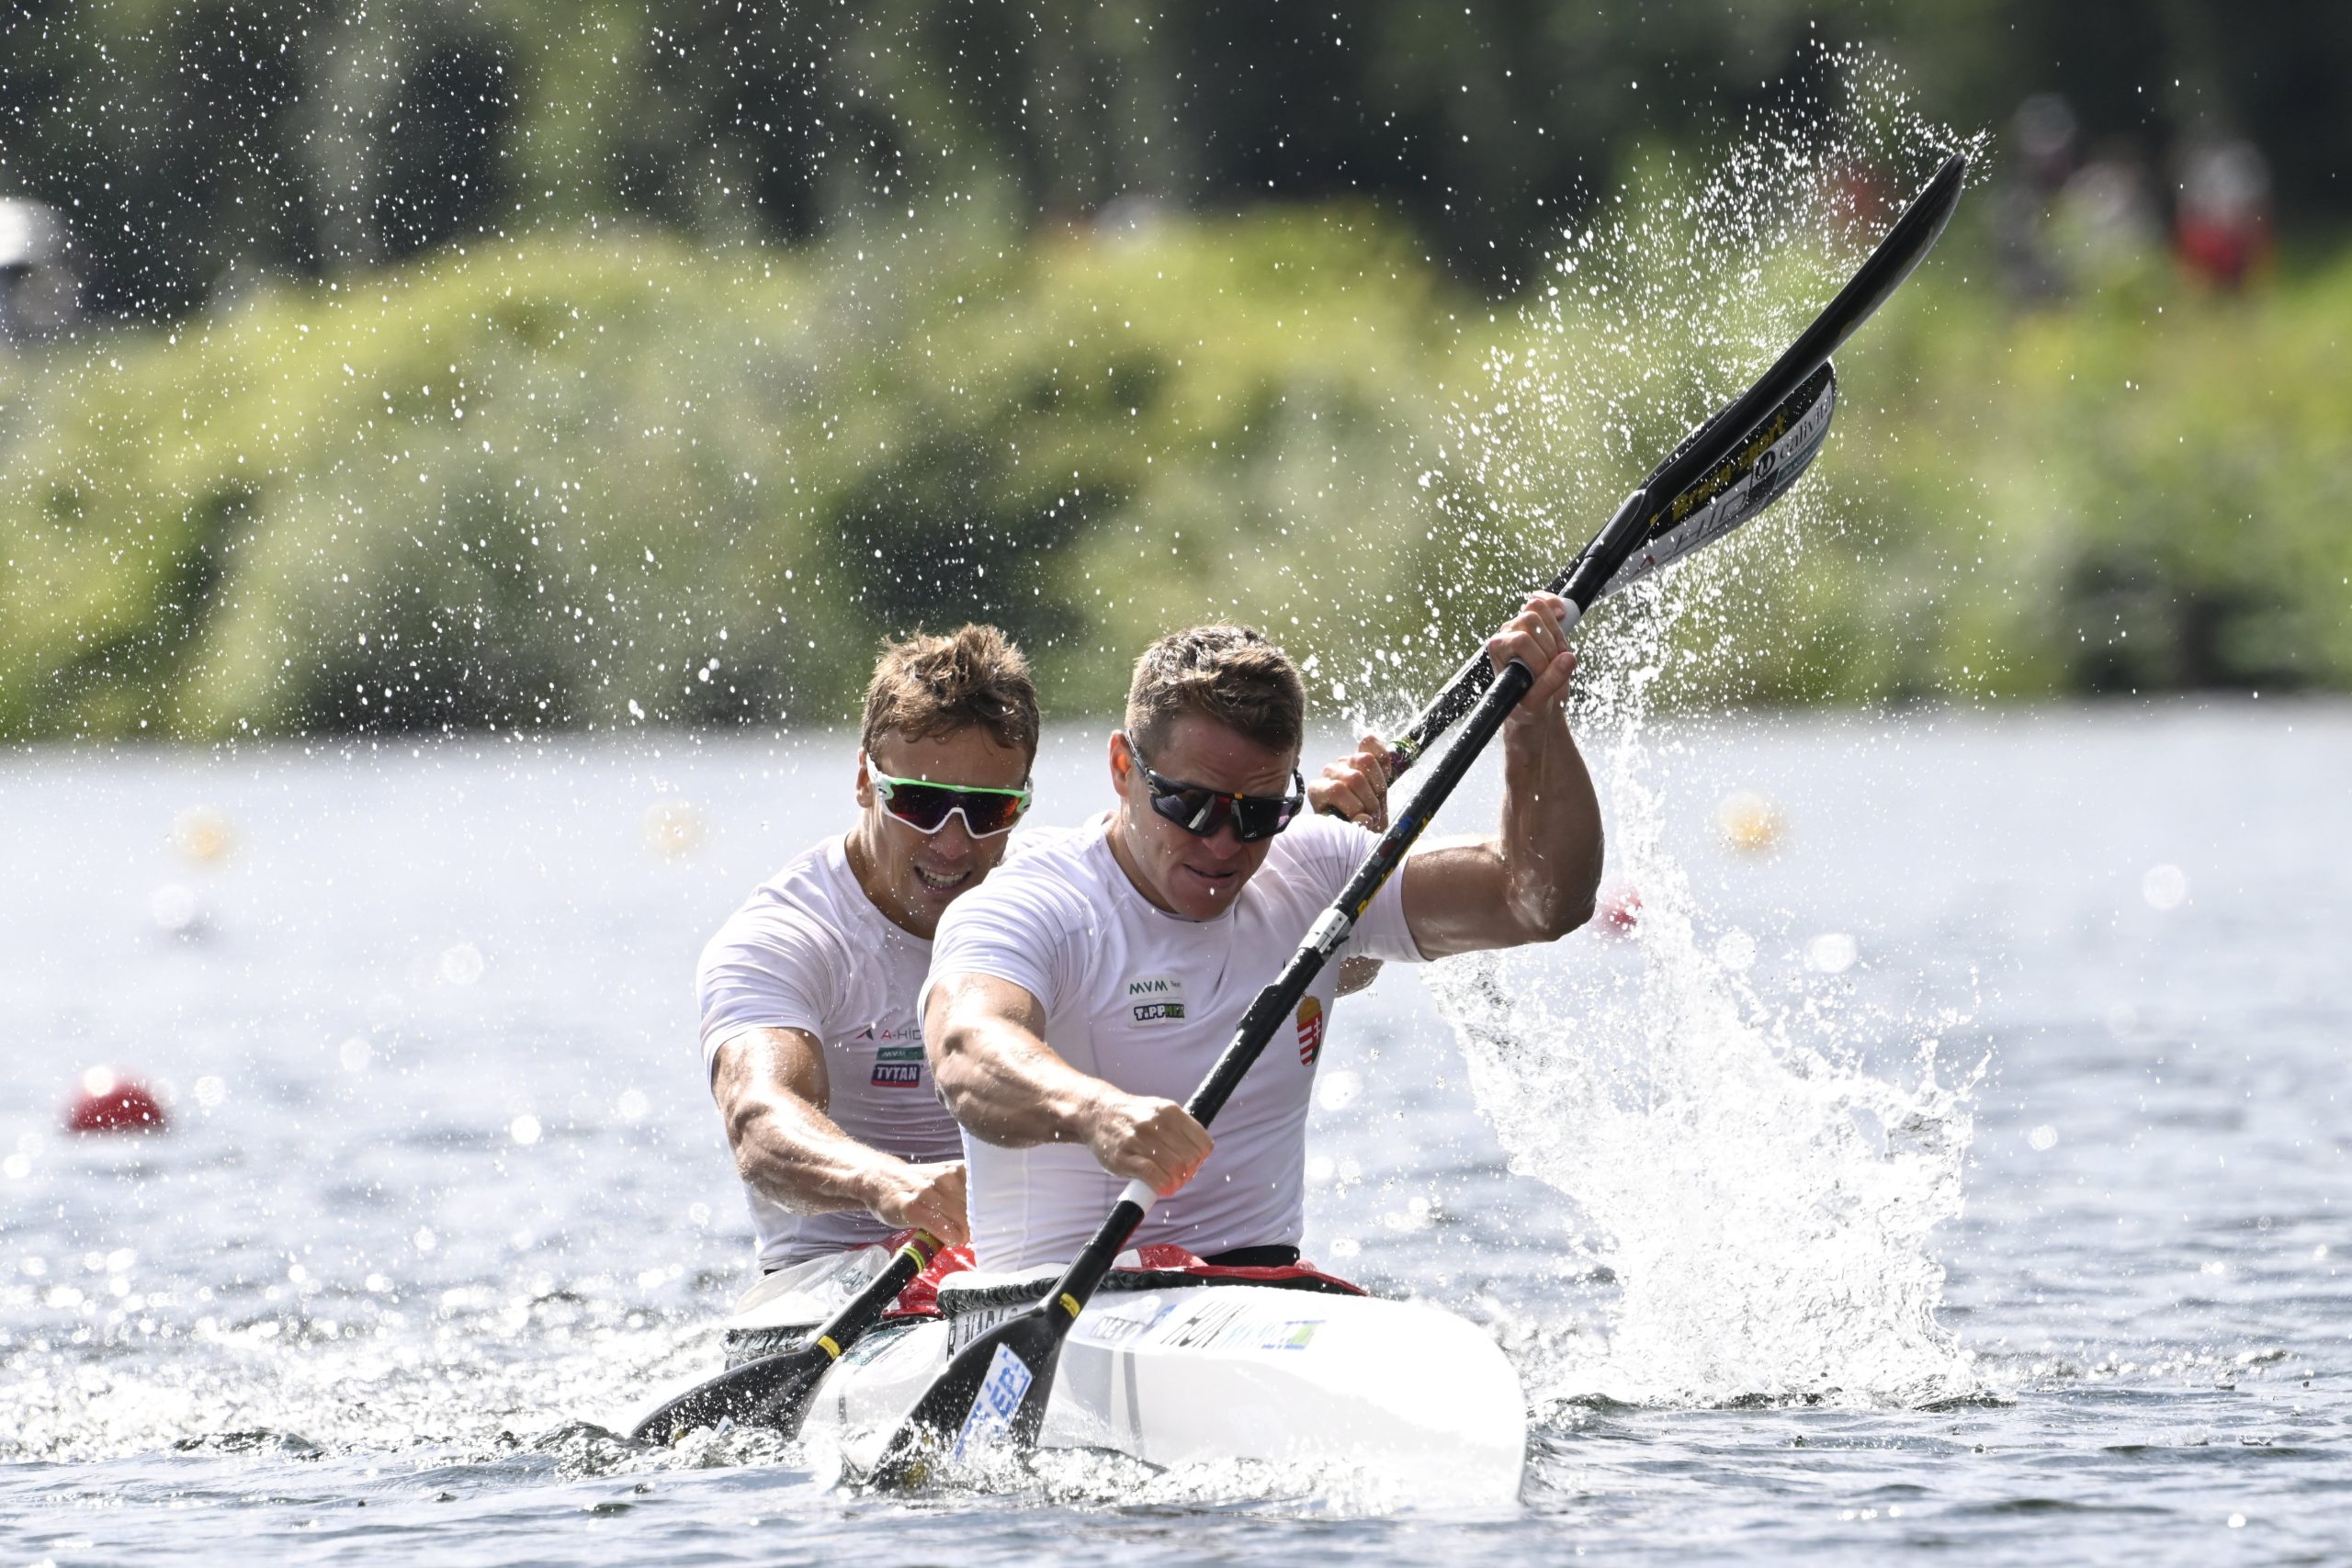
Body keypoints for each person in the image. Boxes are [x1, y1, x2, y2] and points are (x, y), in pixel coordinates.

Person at [695, 625, 1402, 1280]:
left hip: (1014, 1271)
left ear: (1024, 802)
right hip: (839, 1283)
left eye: (989, 810)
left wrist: (1320, 860)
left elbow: (1334, 971)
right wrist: (890, 1184)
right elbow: (760, 1124)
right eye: (920, 802)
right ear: (863, 780)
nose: (953, 843)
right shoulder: (786, 938)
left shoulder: (1048, 898)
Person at [921, 601, 1602, 1270]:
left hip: (1261, 1286)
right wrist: (1096, 1111)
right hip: (1067, 1300)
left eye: (1259, 814)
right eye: (1192, 807)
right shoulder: (1035, 901)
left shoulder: (1316, 868)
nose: (1224, 845)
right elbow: (965, 1050)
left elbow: (1537, 902)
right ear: (1124, 769)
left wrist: (1532, 728)